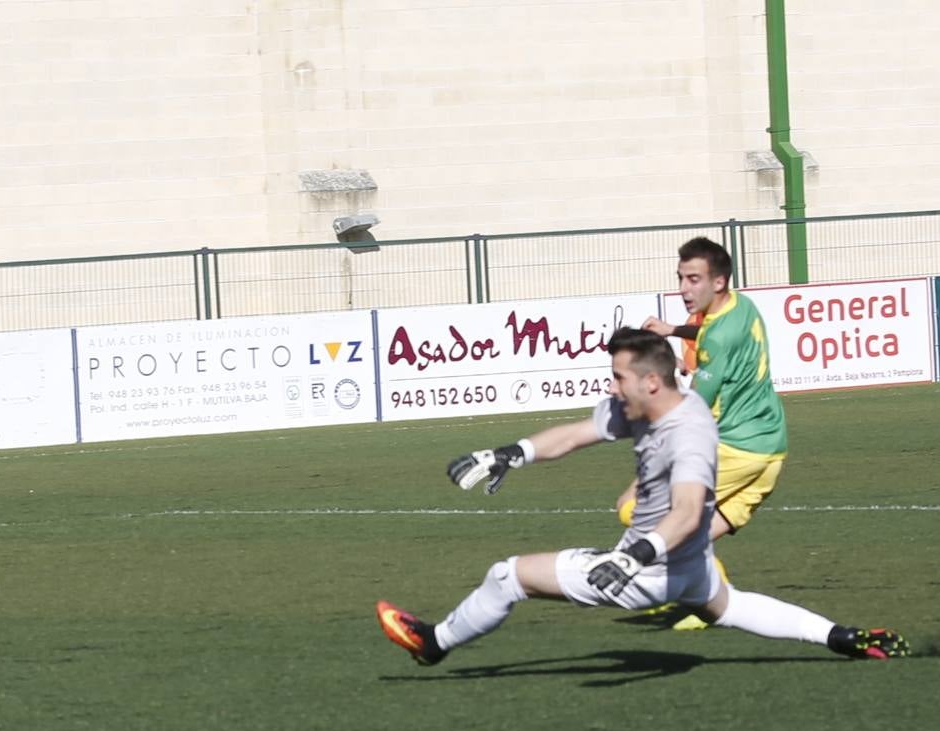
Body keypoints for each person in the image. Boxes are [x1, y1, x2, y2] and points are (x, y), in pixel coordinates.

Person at [375, 327, 909, 667]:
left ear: (650, 382)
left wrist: (631, 557)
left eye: (616, 377)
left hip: (649, 568)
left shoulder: (689, 434)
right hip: (690, 563)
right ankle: (842, 637)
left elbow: (688, 510)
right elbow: (575, 434)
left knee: (507, 575)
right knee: (730, 606)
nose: (610, 386)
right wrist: (508, 453)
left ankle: (434, 643)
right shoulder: (644, 408)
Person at [619, 237, 788, 631]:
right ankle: (691, 591)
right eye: (680, 278)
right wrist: (674, 330)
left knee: (635, 505)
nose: (683, 288)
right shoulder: (742, 305)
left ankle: (707, 597)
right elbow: (712, 336)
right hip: (771, 448)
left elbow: (693, 405)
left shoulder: (717, 335)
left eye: (693, 279)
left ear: (718, 282)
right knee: (694, 533)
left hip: (737, 446)